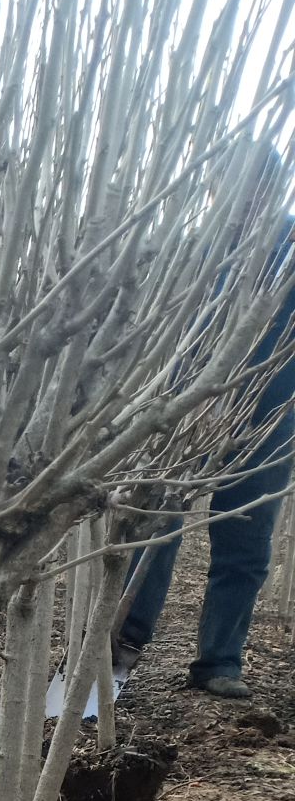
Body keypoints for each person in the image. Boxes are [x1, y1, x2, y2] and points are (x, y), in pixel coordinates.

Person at [115, 167, 295, 701]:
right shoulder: (195, 251)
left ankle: (219, 662)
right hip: (186, 411)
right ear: (218, 192)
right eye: (233, 191)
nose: (244, 203)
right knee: (157, 523)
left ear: (273, 190)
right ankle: (122, 643)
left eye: (257, 190)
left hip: (270, 417)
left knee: (246, 541)